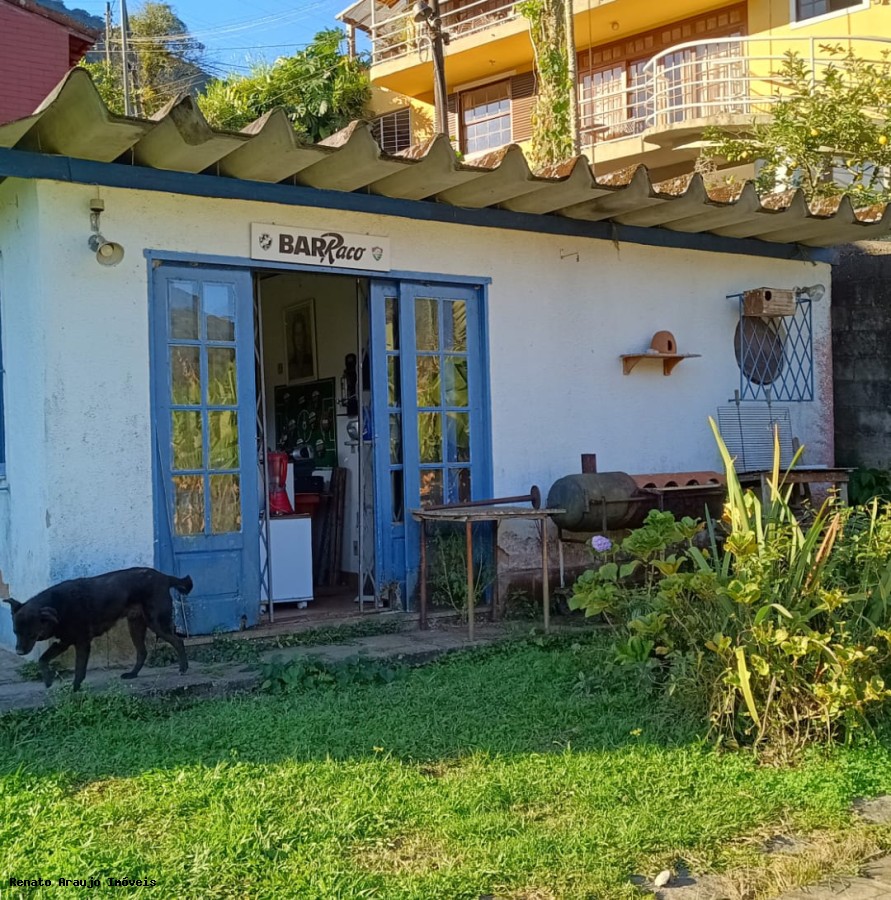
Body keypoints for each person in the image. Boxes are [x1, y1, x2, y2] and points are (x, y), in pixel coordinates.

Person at [288, 309, 314, 381]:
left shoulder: (310, 361)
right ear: (293, 337)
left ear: (305, 335)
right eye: (296, 334)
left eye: (301, 333)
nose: (298, 338)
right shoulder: (291, 364)